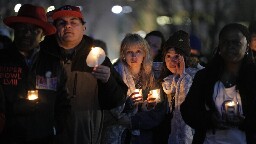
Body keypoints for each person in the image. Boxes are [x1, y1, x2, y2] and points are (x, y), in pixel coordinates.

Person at [41, 5, 127, 144]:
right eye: (62, 22)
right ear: (55, 28)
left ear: (83, 28)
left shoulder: (97, 57)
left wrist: (108, 81)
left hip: (86, 135)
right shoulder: (42, 55)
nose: (68, 26)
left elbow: (116, 101)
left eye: (74, 22)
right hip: (48, 135)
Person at [0, 4, 70, 144]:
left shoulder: (53, 63)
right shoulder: (2, 60)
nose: (27, 33)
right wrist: (14, 108)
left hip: (45, 138)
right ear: (15, 29)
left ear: (42, 35)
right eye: (22, 28)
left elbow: (63, 103)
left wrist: (58, 130)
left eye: (34, 30)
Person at [180, 23, 256, 144]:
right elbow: (188, 111)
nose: (230, 46)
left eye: (236, 43)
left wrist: (245, 122)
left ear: (247, 47)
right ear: (219, 46)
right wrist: (210, 119)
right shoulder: (205, 76)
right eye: (225, 42)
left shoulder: (253, 77)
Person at [101, 33, 168, 144]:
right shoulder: (115, 75)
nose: (134, 56)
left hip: (141, 137)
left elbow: (158, 111)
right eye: (129, 52)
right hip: (119, 136)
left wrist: (150, 106)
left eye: (138, 52)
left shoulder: (152, 76)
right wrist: (128, 104)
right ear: (123, 54)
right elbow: (108, 106)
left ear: (144, 54)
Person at [159, 30, 202, 144]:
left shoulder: (196, 77)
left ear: (185, 58)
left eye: (176, 56)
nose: (172, 61)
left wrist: (183, 76)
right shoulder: (167, 80)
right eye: (168, 56)